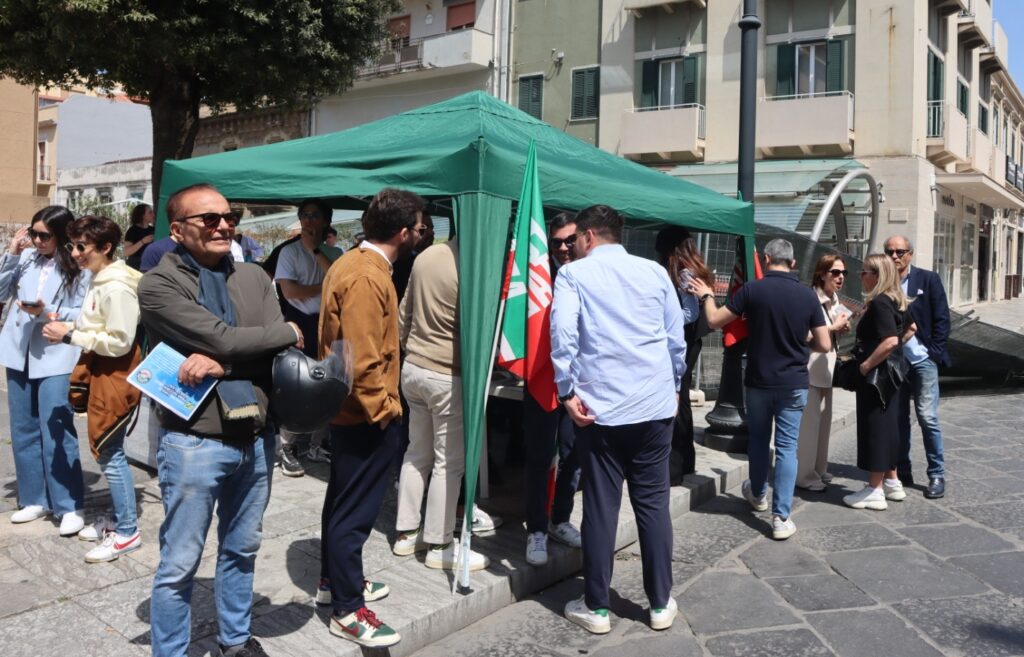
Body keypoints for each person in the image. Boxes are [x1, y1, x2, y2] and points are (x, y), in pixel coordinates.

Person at [140, 183, 304, 657]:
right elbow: (230, 339)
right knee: (179, 563)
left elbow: (282, 347)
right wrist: (264, 338)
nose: (223, 225)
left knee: (241, 548)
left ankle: (235, 640)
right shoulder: (158, 284)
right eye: (208, 219)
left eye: (228, 216)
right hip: (194, 442)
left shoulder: (253, 276)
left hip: (255, 437)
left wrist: (226, 362)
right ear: (177, 230)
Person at [551, 205, 686, 635]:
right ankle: (660, 602)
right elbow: (674, 337)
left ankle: (597, 606)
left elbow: (563, 334)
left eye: (573, 240)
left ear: (589, 236)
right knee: (653, 505)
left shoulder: (574, 275)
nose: (570, 247)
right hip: (653, 404)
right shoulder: (653, 272)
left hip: (601, 409)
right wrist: (675, 385)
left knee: (600, 506)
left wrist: (565, 391)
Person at [317, 188, 426, 648]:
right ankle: (346, 608)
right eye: (419, 228)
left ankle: (335, 582)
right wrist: (383, 412)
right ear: (403, 232)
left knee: (342, 501)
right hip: (363, 413)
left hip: (348, 408)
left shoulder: (353, 263)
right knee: (355, 512)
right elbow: (363, 359)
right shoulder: (366, 275)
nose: (422, 234)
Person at [690, 239, 830, 541]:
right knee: (787, 448)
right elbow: (825, 343)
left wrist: (705, 296)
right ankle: (781, 517)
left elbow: (715, 321)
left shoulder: (753, 290)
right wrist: (801, 338)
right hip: (793, 382)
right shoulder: (807, 296)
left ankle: (757, 493)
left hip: (758, 381)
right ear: (792, 263)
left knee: (757, 440)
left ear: (766, 260)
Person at [41, 215, 144, 562]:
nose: (75, 253)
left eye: (82, 246)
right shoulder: (101, 278)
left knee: (110, 451)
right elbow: (100, 326)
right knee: (108, 449)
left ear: (105, 248)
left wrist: (70, 334)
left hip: (114, 373)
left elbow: (120, 340)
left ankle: (127, 531)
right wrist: (69, 326)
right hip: (104, 369)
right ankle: (120, 520)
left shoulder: (115, 286)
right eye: (73, 245)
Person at [392, 238, 489, 571]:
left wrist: (411, 349)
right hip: (447, 372)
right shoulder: (476, 266)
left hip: (414, 366)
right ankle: (441, 543)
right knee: (448, 463)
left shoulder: (427, 256)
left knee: (416, 452)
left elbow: (403, 314)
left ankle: (406, 533)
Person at [0, 205, 89, 536]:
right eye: (33, 233)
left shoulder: (79, 268)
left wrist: (46, 311)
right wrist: (10, 253)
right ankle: (33, 498)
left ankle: (68, 503)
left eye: (44, 235)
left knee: (56, 427)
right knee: (22, 428)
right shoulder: (24, 260)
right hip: (18, 349)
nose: (37, 240)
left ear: (62, 235)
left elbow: (82, 312)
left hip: (56, 353)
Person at [524, 212, 582, 567]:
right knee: (540, 457)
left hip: (581, 384)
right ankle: (537, 529)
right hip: (543, 381)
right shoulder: (539, 278)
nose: (562, 247)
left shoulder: (591, 275)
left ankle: (560, 519)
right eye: (556, 241)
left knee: (574, 459)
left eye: (569, 240)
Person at [843, 254, 916, 511]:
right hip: (892, 374)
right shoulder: (896, 301)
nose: (861, 277)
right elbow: (911, 329)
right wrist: (892, 357)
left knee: (875, 428)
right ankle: (892, 481)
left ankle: (874, 489)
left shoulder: (881, 303)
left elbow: (891, 340)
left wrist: (867, 364)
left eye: (864, 272)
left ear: (877, 275)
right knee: (888, 427)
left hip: (876, 377)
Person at [274, 199, 336, 476]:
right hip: (299, 324)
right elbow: (290, 293)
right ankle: (287, 446)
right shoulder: (289, 252)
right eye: (304, 215)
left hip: (327, 324)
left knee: (326, 384)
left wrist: (317, 253)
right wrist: (323, 286)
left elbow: (340, 284)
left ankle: (316, 443)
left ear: (325, 221)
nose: (308, 220)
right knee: (297, 386)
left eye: (314, 215)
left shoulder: (334, 253)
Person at [885, 235, 950, 499]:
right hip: (896, 363)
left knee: (927, 417)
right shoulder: (883, 284)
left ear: (910, 254)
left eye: (900, 251)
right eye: (889, 251)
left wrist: (932, 352)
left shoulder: (928, 279)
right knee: (899, 419)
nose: (895, 256)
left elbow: (942, 318)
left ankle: (936, 473)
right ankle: (902, 470)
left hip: (923, 361)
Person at [654, 226, 714, 482]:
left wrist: (660, 321)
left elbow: (689, 313)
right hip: (691, 341)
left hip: (684, 342)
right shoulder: (691, 267)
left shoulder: (683, 271)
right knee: (684, 401)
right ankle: (684, 461)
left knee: (677, 400)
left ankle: (675, 466)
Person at [795, 255, 852, 491]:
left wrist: (841, 330)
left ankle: (818, 468)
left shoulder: (833, 300)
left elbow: (828, 334)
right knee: (808, 426)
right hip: (810, 368)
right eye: (835, 272)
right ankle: (804, 475)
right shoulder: (810, 298)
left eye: (843, 274)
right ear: (822, 274)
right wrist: (832, 328)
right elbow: (804, 334)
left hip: (826, 369)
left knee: (823, 423)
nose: (840, 277)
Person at [124, 203, 156, 271]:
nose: (153, 215)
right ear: (142, 215)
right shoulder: (132, 231)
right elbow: (127, 252)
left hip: (150, 266)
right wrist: (142, 241)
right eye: (150, 212)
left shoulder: (153, 230)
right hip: (135, 268)